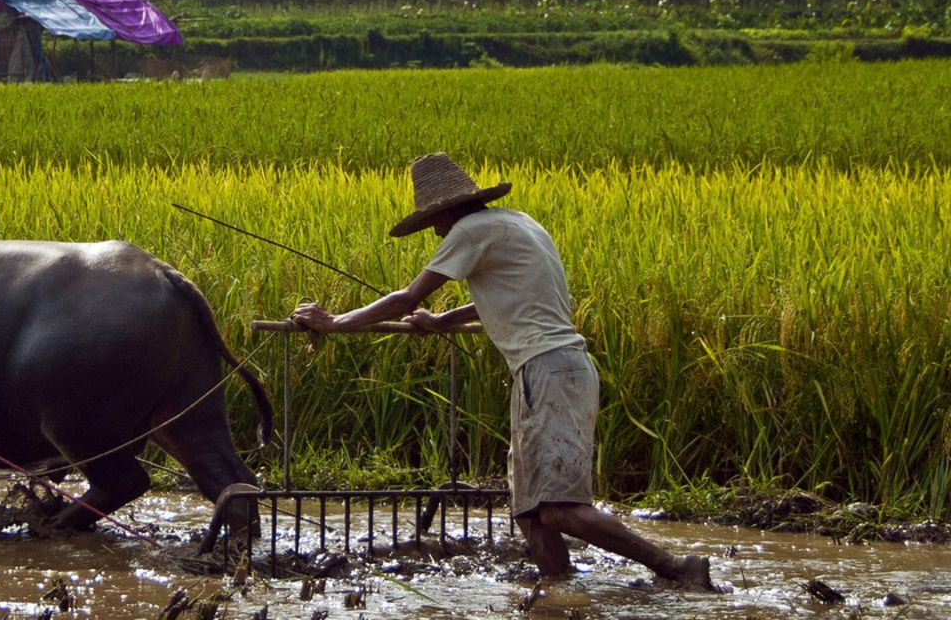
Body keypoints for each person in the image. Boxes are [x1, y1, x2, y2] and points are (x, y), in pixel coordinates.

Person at [292, 153, 714, 591]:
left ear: (448, 210)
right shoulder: (517, 223)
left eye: (434, 220)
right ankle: (558, 591)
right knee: (530, 511)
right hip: (547, 372)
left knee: (559, 508)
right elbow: (502, 296)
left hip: (550, 371)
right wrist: (442, 323)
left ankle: (676, 566)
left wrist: (335, 322)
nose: (435, 231)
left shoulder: (469, 230)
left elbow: (407, 297)